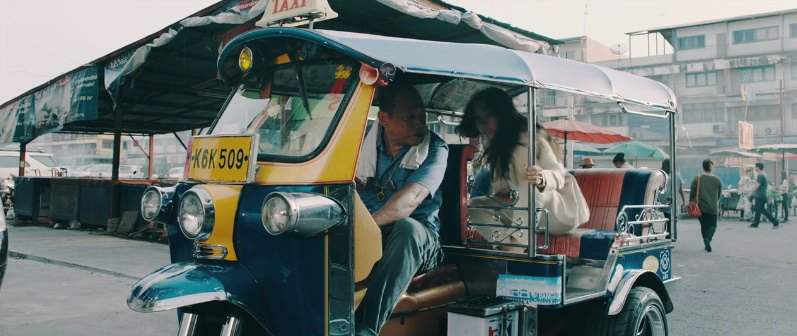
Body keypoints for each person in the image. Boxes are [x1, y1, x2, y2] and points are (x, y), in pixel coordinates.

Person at [354, 83, 449, 336]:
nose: (420, 123)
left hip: (420, 242)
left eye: (422, 116)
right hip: (367, 233)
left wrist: (363, 229)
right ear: (384, 118)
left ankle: (367, 329)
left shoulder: (436, 149)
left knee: (407, 229)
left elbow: (410, 200)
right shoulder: (358, 142)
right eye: (411, 117)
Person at [457, 87, 589, 241]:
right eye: (478, 120)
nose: (482, 126)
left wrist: (541, 177)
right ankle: (505, 245)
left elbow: (559, 175)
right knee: (473, 206)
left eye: (486, 118)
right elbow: (504, 193)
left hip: (559, 212)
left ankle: (517, 243)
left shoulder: (529, 139)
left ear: (501, 116)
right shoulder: (496, 145)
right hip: (525, 208)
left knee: (525, 167)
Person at [689, 159, 722, 252]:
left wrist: (691, 202)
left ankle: (706, 240)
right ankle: (708, 239)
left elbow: (692, 192)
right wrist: (714, 201)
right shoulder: (717, 180)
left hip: (700, 207)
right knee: (713, 226)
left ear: (703, 167)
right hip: (712, 207)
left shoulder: (697, 178)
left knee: (704, 225)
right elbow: (719, 194)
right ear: (711, 167)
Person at [750, 162, 779, 229]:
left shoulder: (760, 175)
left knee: (762, 210)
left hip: (760, 195)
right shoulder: (762, 175)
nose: (755, 168)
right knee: (758, 209)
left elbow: (757, 186)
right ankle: (755, 223)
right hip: (761, 195)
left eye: (755, 167)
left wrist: (751, 192)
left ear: (758, 168)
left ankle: (775, 222)